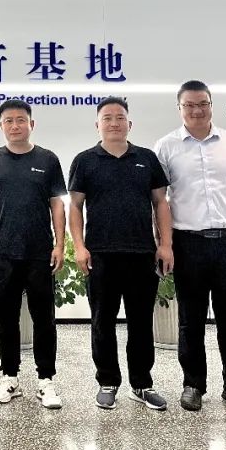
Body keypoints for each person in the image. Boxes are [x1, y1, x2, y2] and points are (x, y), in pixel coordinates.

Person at [154, 80, 226, 413]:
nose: (197, 110)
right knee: (190, 320)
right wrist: (165, 244)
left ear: (211, 105)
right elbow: (159, 201)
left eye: (202, 103)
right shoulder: (166, 147)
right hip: (188, 243)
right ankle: (193, 385)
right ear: (179, 108)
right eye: (189, 105)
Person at [68, 97, 174, 411]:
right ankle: (107, 381)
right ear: (97, 124)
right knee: (102, 321)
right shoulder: (85, 161)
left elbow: (160, 203)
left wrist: (165, 244)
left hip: (142, 253)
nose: (114, 123)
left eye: (119, 117)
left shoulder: (147, 159)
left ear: (130, 123)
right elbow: (75, 207)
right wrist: (79, 246)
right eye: (107, 117)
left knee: (141, 322)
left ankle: (141, 384)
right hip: (100, 255)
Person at [0, 99, 66, 409]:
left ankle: (46, 380)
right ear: (1, 125)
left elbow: (57, 204)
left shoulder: (48, 159)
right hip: (3, 252)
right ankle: (9, 377)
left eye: (20, 120)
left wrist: (60, 244)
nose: (14, 125)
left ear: (31, 124)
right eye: (8, 121)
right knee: (5, 320)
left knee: (45, 320)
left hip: (40, 252)